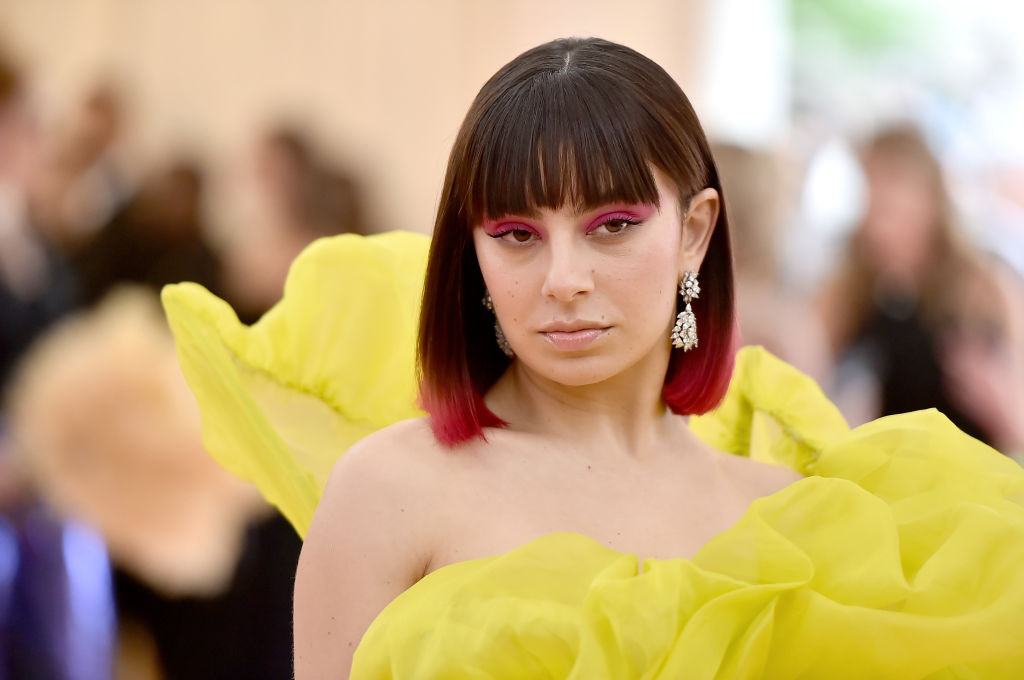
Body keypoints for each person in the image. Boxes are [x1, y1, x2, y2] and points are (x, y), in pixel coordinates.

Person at [162, 38, 1024, 678]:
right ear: (473, 253)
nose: (563, 279)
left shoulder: (784, 510)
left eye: (612, 225)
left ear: (695, 232)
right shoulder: (388, 493)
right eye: (516, 234)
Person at [817, 125, 1024, 454]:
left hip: (973, 470)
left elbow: (1016, 425)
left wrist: (996, 404)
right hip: (888, 471)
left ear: (930, 199)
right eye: (870, 198)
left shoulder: (984, 287)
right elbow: (807, 364)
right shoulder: (853, 287)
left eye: (890, 204)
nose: (876, 222)